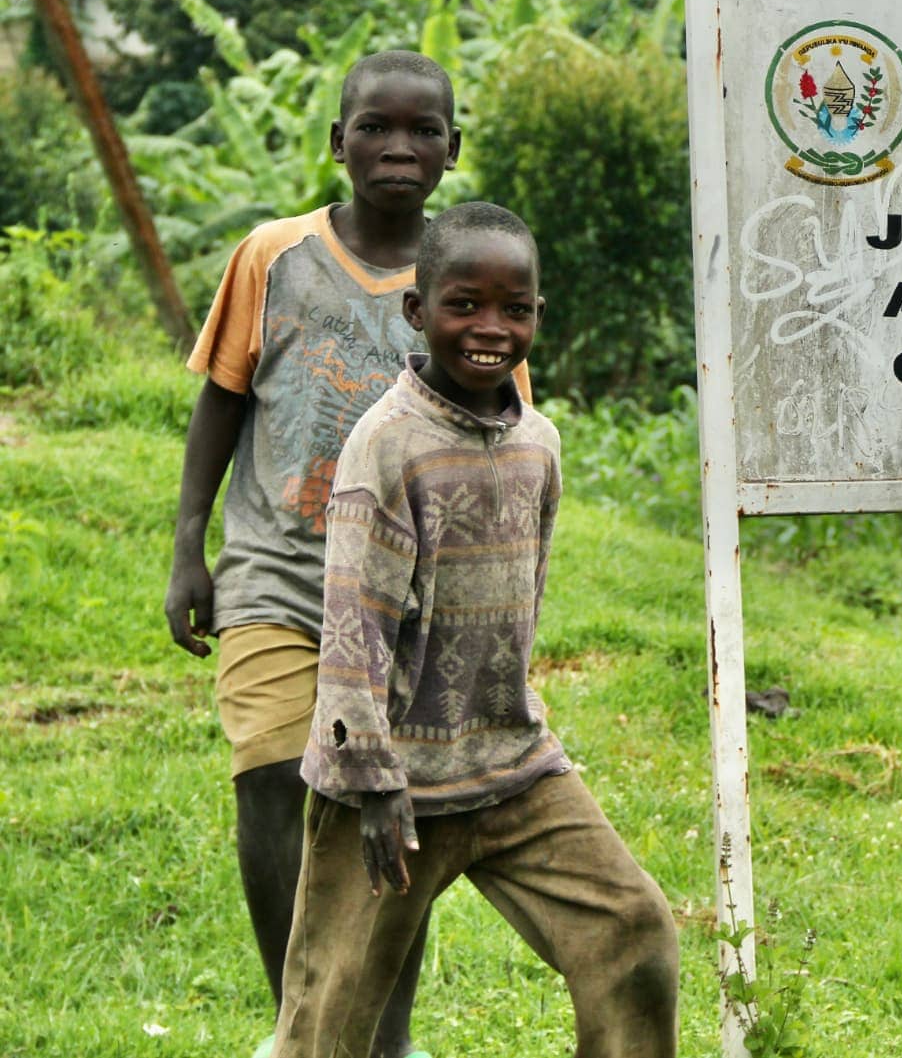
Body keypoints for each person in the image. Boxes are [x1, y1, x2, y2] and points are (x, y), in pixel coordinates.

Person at [164, 51, 514, 1058]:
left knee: (384, 805)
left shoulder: (471, 280)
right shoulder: (273, 256)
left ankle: (380, 1034)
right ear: (337, 141)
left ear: (452, 146)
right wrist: (191, 546)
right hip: (275, 575)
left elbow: (494, 447)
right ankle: (305, 1022)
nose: (398, 147)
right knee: (273, 775)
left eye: (422, 129)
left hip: (411, 606)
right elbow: (223, 397)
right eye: (374, 126)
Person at [271, 202, 679, 1058]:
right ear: (418, 311)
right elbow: (352, 628)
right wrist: (373, 781)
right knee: (329, 1020)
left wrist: (512, 719)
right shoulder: (386, 447)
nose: (490, 328)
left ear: (536, 314)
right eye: (464, 304)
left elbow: (521, 605)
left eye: (514, 307)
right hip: (389, 789)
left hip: (512, 764)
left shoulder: (540, 443)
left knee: (632, 931)